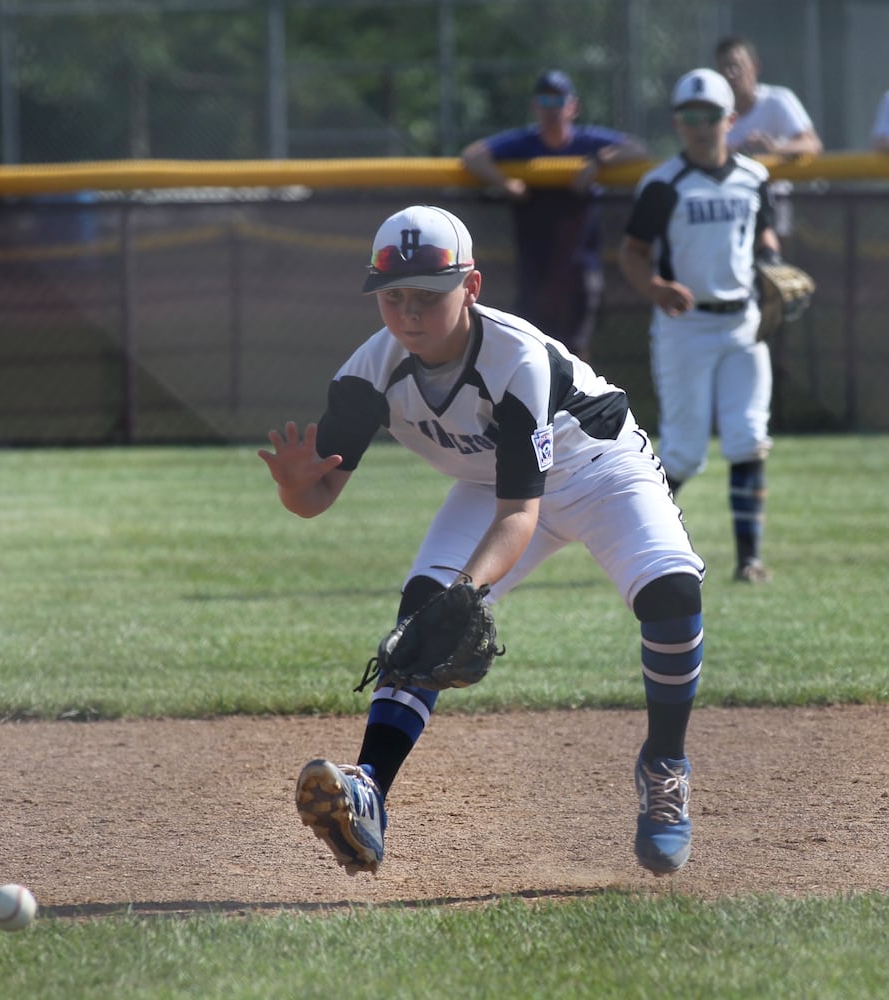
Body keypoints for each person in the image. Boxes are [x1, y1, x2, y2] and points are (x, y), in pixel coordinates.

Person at [258, 204, 706, 879]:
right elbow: (319, 496)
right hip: (491, 483)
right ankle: (368, 790)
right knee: (419, 622)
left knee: (671, 591)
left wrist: (466, 594)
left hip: (599, 467)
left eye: (428, 296)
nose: (409, 314)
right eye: (394, 297)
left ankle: (664, 768)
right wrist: (296, 491)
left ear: (470, 288)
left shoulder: (514, 358)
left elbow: (520, 515)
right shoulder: (367, 374)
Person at [618, 68, 781, 585]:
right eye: (690, 117)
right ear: (677, 122)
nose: (700, 125)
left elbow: (763, 233)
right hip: (685, 324)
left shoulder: (754, 177)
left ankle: (749, 559)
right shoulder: (663, 184)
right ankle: (631, 536)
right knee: (684, 449)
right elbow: (633, 253)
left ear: (730, 119)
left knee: (749, 437)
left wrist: (774, 263)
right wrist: (655, 289)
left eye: (710, 115)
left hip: (743, 320)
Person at [460, 69, 648, 362]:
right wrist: (506, 183)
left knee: (576, 350)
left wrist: (598, 163)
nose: (552, 109)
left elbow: (638, 149)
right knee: (532, 345)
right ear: (535, 106)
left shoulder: (586, 143)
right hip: (536, 267)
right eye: (545, 101)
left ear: (573, 106)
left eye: (559, 101)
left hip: (579, 268)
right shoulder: (524, 143)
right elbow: (472, 156)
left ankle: (579, 404)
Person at [715, 35, 821, 238]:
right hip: (730, 221)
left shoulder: (777, 100)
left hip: (778, 220)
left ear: (755, 67)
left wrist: (774, 149)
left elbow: (812, 145)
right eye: (724, 68)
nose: (731, 74)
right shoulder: (715, 114)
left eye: (737, 65)